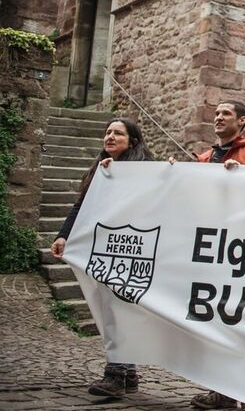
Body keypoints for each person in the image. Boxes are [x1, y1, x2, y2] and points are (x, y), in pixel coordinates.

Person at [50, 118, 154, 398]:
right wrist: (64, 235)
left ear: (132, 141)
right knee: (110, 308)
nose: (109, 137)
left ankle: (117, 375)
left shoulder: (145, 170)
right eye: (107, 132)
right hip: (105, 249)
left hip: (133, 249)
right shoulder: (100, 169)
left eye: (117, 133)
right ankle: (128, 373)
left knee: (121, 310)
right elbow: (81, 206)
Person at [189, 100, 245, 410]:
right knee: (217, 323)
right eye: (217, 113)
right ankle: (222, 392)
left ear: (242, 121)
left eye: (226, 114)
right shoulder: (206, 158)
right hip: (212, 249)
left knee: (243, 323)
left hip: (242, 250)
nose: (218, 118)